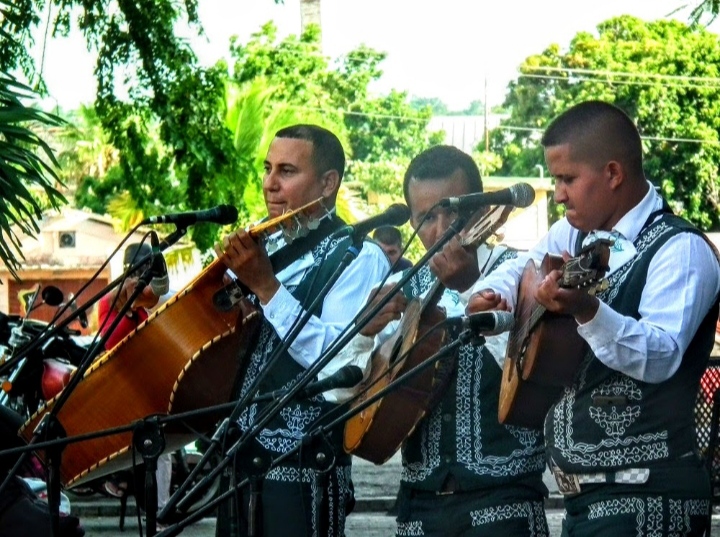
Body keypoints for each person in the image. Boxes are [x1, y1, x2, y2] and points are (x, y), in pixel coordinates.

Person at [467, 100, 720, 536]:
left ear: (613, 174)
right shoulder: (576, 232)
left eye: (567, 179)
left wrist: (586, 309)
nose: (559, 193)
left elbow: (660, 355)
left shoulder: (680, 249)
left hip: (648, 499)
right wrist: (493, 295)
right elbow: (522, 267)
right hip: (586, 503)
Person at [341, 145, 548, 536]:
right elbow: (348, 393)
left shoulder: (524, 272)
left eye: (454, 211)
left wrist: (470, 286)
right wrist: (363, 336)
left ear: (483, 207)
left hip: (505, 500)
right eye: (427, 217)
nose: (443, 229)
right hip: (420, 503)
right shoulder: (400, 289)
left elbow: (533, 370)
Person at [214, 124, 389, 537]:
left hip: (303, 472)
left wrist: (266, 288)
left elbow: (339, 365)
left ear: (328, 183)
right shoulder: (265, 249)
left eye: (287, 171)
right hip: (237, 462)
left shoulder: (358, 256)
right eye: (268, 169)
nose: (270, 185)